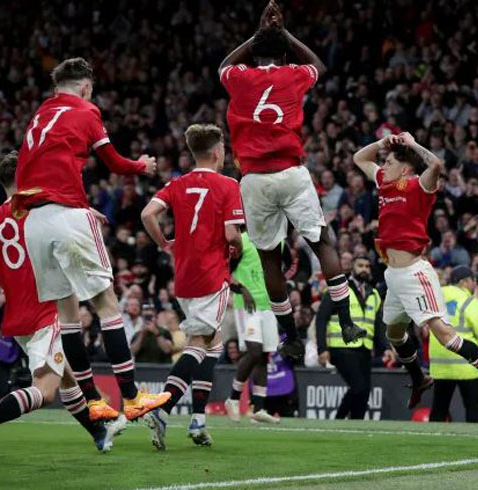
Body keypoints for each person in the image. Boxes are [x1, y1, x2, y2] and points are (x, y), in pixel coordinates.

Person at [13, 57, 168, 422]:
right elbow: (112, 161)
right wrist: (141, 166)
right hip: (67, 216)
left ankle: (93, 401)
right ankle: (131, 397)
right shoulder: (86, 109)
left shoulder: (40, 113)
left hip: (33, 222)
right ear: (85, 87)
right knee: (106, 305)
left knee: (68, 317)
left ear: (56, 87)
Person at [218, 0, 365, 360]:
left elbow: (223, 65)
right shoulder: (294, 74)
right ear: (284, 58)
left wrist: (257, 35)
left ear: (253, 58)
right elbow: (319, 65)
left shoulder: (240, 78)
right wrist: (284, 34)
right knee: (322, 242)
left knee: (270, 258)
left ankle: (291, 337)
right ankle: (345, 321)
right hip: (290, 172)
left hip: (253, 180)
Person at [353, 131, 478, 412]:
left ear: (404, 168)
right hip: (392, 275)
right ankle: (419, 379)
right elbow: (360, 158)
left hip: (415, 273)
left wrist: (412, 144)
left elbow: (437, 166)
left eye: (389, 162)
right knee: (394, 333)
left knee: (445, 336)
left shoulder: (418, 184)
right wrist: (384, 143)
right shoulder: (384, 182)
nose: (384, 166)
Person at [0, 151, 124, 452]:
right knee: (46, 390)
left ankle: (99, 434)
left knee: (66, 378)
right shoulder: (40, 212)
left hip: (18, 315)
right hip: (47, 310)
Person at [140, 124, 242, 449]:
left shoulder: (177, 184)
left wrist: (163, 244)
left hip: (183, 278)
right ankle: (162, 408)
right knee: (200, 342)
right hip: (212, 275)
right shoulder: (228, 185)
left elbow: (147, 214)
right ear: (217, 152)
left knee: (213, 344)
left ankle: (198, 421)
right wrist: (237, 247)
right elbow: (231, 235)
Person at [316, 255, 391, 419]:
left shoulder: (374, 294)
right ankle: (339, 420)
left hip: (364, 349)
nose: (364, 269)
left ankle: (357, 426)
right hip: (341, 346)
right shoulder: (338, 289)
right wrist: (322, 348)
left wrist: (386, 348)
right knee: (359, 387)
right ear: (352, 268)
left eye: (367, 266)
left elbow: (379, 326)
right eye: (360, 266)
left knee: (364, 394)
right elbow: (321, 319)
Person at [224, 229, 281, 425]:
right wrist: (241, 290)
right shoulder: (242, 241)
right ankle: (232, 398)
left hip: (269, 306)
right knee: (254, 351)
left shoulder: (276, 241)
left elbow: (289, 265)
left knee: (264, 356)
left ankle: (259, 409)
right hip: (247, 306)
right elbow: (224, 272)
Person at [429, 265, 478, 423]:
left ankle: (429, 444)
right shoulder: (468, 301)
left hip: (440, 366)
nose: (474, 285)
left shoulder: (436, 297)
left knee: (438, 410)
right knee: (473, 409)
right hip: (467, 364)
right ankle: (474, 445)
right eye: (473, 281)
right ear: (464, 282)